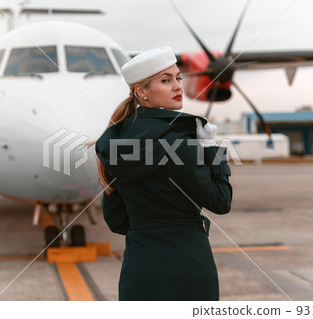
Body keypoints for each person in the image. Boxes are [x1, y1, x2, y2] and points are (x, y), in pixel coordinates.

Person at [94, 46, 232, 301]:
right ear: (141, 91)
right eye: (166, 80)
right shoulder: (182, 144)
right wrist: (212, 149)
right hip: (188, 268)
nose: (178, 86)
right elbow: (221, 201)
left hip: (139, 270)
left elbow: (116, 220)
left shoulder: (114, 145)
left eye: (178, 77)